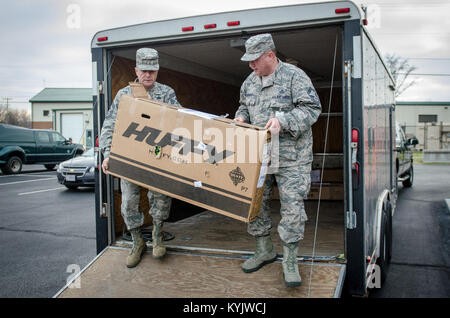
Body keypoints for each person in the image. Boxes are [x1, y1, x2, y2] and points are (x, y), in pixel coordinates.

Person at [234, 33, 321, 287]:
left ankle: (290, 259)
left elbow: (312, 109)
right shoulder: (249, 82)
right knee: (255, 205)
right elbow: (243, 106)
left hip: (292, 158)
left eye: (255, 60)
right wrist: (241, 118)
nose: (251, 65)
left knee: (292, 209)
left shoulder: (295, 76)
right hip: (260, 156)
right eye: (248, 61)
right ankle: (264, 249)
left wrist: (283, 121)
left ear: (270, 55)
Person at [99, 48, 180, 268]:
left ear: (157, 70)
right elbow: (109, 127)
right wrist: (107, 155)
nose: (148, 75)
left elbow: (181, 123)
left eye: (152, 71)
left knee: (161, 199)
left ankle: (157, 236)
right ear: (136, 69)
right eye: (144, 70)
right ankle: (137, 242)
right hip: (129, 158)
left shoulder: (167, 93)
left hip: (157, 157)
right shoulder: (124, 95)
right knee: (128, 203)